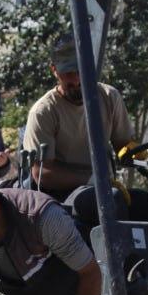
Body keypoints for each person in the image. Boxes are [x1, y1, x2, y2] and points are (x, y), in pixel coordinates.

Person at [22, 34, 133, 200]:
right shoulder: (43, 112)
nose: (76, 79)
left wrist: (139, 155)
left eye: (80, 70)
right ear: (54, 70)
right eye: (68, 72)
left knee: (146, 205)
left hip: (105, 190)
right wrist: (93, 179)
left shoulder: (109, 97)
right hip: (60, 199)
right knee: (104, 202)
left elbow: (125, 146)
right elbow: (41, 172)